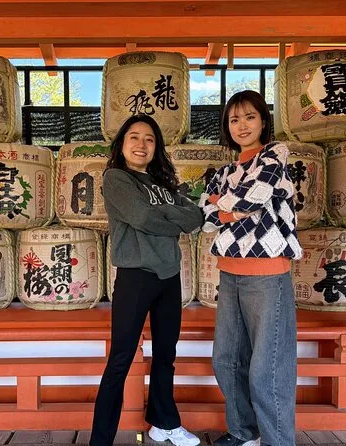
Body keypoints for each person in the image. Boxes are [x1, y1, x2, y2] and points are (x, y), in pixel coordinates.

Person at [90, 114, 203, 446]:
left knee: (166, 354)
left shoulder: (163, 183)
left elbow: (195, 216)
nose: (142, 144)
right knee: (121, 358)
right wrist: (173, 219)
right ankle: (100, 441)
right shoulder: (116, 178)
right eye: (134, 137)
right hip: (135, 277)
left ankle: (164, 423)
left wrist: (165, 216)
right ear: (122, 144)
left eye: (150, 139)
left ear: (157, 147)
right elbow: (141, 217)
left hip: (169, 276)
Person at [199, 90, 303, 446]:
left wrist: (224, 205)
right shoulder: (224, 171)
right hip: (230, 273)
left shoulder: (274, 157)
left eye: (249, 117)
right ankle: (244, 433)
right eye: (234, 119)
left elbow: (251, 198)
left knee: (267, 369)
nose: (241, 125)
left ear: (263, 121)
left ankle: (277, 441)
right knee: (226, 359)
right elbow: (205, 216)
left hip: (268, 274)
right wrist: (228, 207)